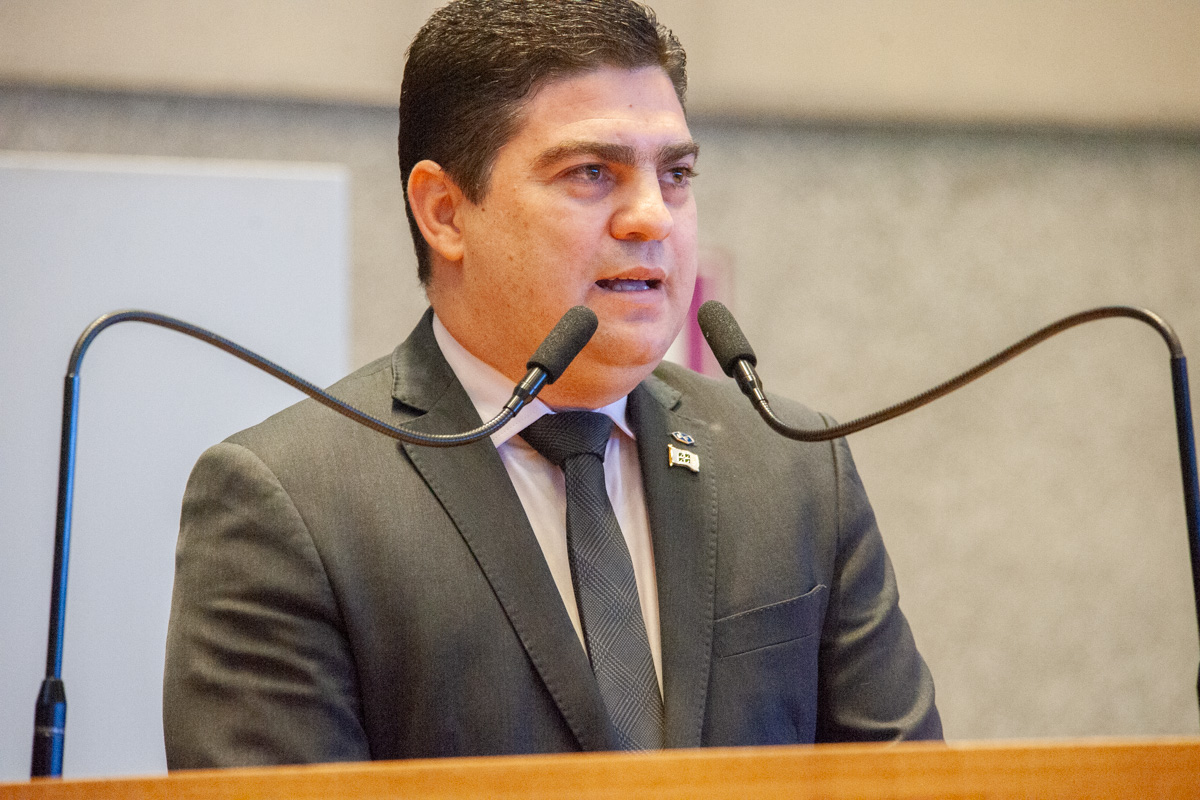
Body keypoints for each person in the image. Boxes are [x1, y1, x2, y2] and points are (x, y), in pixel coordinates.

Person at [163, 0, 941, 769]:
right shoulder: (291, 502)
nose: (653, 218)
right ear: (445, 212)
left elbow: (913, 782)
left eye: (675, 174)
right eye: (592, 173)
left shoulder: (794, 468)